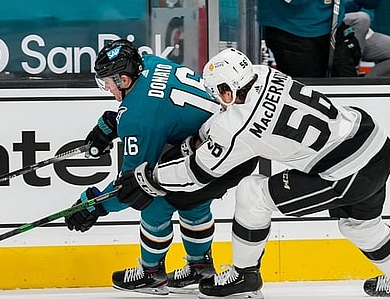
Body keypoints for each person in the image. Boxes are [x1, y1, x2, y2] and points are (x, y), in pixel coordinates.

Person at [114, 48, 390, 297]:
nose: (217, 101)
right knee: (360, 226)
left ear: (226, 89)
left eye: (216, 93)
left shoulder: (238, 126)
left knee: (252, 193)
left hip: (346, 170)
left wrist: (151, 178)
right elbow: (232, 119)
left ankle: (245, 276)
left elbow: (198, 172)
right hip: (375, 142)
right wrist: (202, 137)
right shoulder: (265, 73)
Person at [64, 39, 257, 295]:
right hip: (237, 148)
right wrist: (114, 122)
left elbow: (130, 186)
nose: (107, 88)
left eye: (107, 82)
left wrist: (96, 204)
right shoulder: (152, 63)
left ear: (123, 79)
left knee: (153, 196)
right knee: (191, 198)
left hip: (218, 154)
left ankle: (150, 273)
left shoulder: (140, 120)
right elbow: (162, 107)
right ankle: (200, 266)